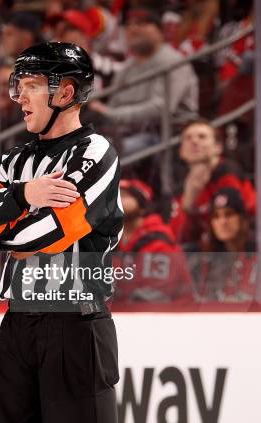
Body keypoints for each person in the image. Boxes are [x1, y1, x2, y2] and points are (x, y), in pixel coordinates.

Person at [0, 42, 123, 423]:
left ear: (65, 93)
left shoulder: (95, 151)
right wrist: (25, 194)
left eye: (32, 85)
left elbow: (57, 230)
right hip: (17, 325)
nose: (20, 97)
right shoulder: (16, 160)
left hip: (77, 328)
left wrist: (4, 228)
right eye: (19, 85)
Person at [88, 7, 199, 155]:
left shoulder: (173, 61)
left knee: (107, 155)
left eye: (142, 23)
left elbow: (162, 108)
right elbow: (114, 105)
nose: (133, 29)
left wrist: (111, 114)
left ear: (160, 31)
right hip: (128, 133)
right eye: (129, 25)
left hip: (169, 135)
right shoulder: (126, 68)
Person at [171, 119, 256, 246]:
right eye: (188, 138)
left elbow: (234, 224)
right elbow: (176, 236)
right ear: (181, 152)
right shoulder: (181, 187)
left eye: (202, 137)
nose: (194, 141)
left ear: (218, 147)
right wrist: (187, 203)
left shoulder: (228, 173)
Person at [114, 179, 195, 304]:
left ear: (142, 206)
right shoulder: (110, 242)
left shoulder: (159, 243)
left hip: (172, 316)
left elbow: (152, 297)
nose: (117, 200)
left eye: (124, 196)